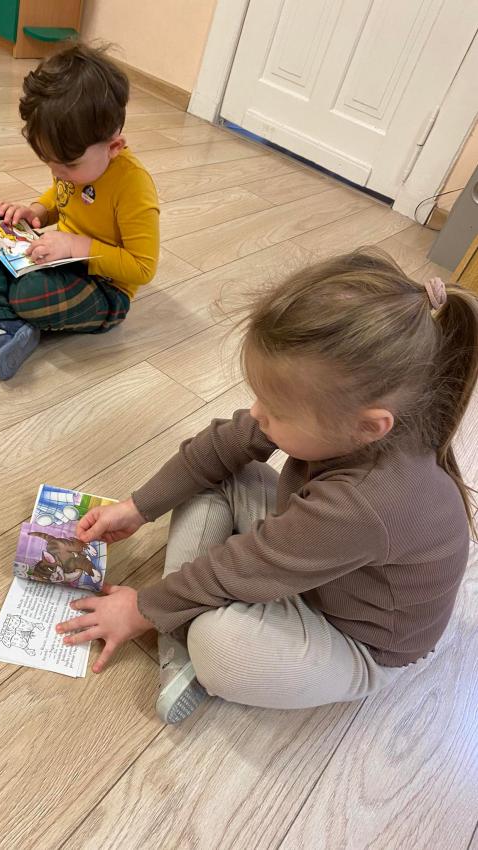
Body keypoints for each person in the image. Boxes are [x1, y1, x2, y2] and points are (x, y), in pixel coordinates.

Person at [55, 249, 478, 724]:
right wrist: (136, 507)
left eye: (275, 410)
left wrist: (143, 609)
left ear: (368, 426)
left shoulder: (367, 502)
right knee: (215, 475)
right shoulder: (341, 420)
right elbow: (219, 448)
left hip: (355, 640)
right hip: (311, 562)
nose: (256, 413)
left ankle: (179, 638)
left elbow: (246, 565)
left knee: (219, 649)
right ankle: (181, 619)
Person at [0, 44, 159, 381]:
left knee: (29, 294)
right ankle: (1, 318)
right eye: (49, 162)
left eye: (67, 165)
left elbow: (142, 268)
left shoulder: (133, 186)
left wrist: (76, 246)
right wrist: (36, 211)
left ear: (114, 147)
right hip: (56, 260)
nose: (57, 173)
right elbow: (62, 194)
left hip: (104, 291)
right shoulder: (75, 163)